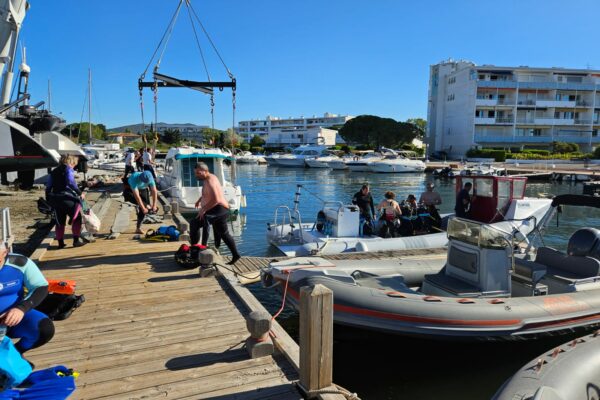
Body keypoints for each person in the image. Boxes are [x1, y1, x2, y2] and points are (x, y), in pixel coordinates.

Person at [0, 242, 55, 356]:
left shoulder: (19, 263)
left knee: (44, 329)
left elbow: (40, 287)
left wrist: (21, 309)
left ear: (5, 253)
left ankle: (15, 355)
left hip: (12, 318)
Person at [190, 162, 241, 265]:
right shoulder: (209, 177)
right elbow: (210, 193)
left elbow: (217, 199)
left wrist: (203, 209)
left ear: (205, 171)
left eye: (198, 173)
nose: (196, 175)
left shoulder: (210, 181)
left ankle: (201, 248)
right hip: (218, 208)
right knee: (223, 233)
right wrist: (200, 199)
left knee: (203, 221)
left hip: (219, 208)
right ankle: (235, 255)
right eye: (195, 173)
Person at [46, 154, 85, 249]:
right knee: (77, 219)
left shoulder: (54, 171)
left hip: (56, 199)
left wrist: (49, 200)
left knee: (59, 222)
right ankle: (76, 241)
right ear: (71, 162)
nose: (74, 166)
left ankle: (60, 243)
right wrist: (80, 193)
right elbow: (70, 182)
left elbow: (48, 187)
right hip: (68, 199)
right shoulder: (68, 169)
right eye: (74, 164)